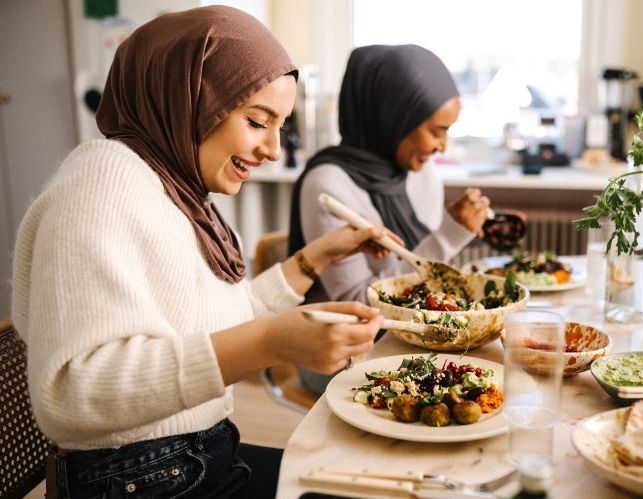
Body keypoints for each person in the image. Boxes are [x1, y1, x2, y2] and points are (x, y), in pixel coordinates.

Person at [11, 7, 392, 499]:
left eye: (281, 126)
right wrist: (270, 343)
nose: (274, 149)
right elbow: (72, 391)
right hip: (138, 478)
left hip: (190, 458)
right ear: (189, 98)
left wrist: (313, 259)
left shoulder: (173, 186)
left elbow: (212, 322)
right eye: (258, 122)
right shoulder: (101, 186)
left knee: (374, 482)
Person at [288, 44, 492, 395]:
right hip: (348, 357)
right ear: (395, 117)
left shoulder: (419, 171)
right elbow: (359, 306)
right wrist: (449, 236)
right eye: (437, 130)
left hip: (411, 341)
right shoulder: (328, 183)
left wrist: (467, 230)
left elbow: (423, 280)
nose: (443, 146)